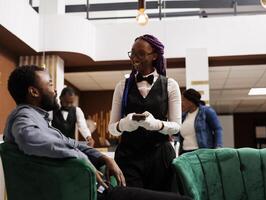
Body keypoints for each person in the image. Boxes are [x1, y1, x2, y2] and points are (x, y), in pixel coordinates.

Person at [4, 65, 191, 200]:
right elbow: (30, 140)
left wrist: (102, 158)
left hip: (90, 189)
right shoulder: (23, 118)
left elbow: (72, 143)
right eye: (50, 84)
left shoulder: (39, 118)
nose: (55, 90)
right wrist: (82, 159)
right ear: (34, 92)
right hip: (86, 192)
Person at [108, 34, 181, 192]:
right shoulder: (122, 86)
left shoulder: (170, 85)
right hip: (129, 156)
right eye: (132, 53)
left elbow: (176, 127)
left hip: (160, 156)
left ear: (154, 56)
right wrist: (124, 124)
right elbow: (112, 128)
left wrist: (157, 124)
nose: (134, 57)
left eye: (140, 53)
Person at [180, 88, 223, 154]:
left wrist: (218, 147)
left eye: (183, 100)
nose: (181, 103)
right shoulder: (183, 116)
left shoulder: (206, 111)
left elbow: (218, 129)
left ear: (191, 101)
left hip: (202, 152)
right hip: (185, 153)